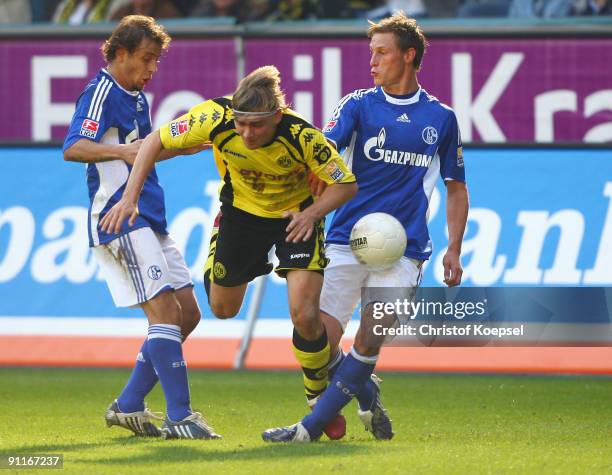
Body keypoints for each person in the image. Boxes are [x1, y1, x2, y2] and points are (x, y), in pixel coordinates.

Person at [99, 65, 359, 439]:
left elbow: (346, 185)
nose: (247, 133)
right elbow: (155, 141)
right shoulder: (214, 116)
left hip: (295, 218)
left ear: (277, 116)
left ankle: (317, 396)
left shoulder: (303, 135)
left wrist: (313, 213)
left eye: (257, 125)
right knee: (222, 309)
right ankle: (341, 366)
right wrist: (129, 198)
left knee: (304, 315)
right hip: (240, 217)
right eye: (241, 124)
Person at [262, 11, 469, 443]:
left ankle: (307, 430)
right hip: (346, 238)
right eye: (370, 53)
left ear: (409, 56)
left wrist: (454, 247)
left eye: (382, 53)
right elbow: (322, 147)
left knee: (371, 336)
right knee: (315, 336)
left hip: (405, 247)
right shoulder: (357, 104)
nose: (372, 62)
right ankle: (365, 392)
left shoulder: (441, 118)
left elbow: (455, 187)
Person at [63, 15, 219, 440]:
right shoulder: (100, 92)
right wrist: (124, 152)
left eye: (156, 62)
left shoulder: (135, 97)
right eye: (146, 60)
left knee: (187, 314)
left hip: (149, 216)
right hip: (120, 217)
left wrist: (180, 149)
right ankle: (180, 416)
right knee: (165, 313)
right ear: (120, 54)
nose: (152, 70)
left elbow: (140, 153)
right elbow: (73, 146)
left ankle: (128, 404)